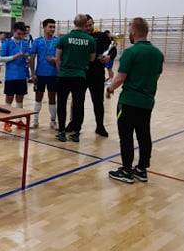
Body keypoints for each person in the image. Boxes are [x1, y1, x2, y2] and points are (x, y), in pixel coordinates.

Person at [108, 17, 165, 184]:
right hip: (147, 102)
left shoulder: (130, 52)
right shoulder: (158, 54)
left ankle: (126, 171)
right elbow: (156, 76)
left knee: (126, 136)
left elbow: (120, 78)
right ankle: (141, 169)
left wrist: (109, 89)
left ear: (133, 32)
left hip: (129, 102)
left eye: (129, 31)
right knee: (144, 134)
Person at [55, 13, 97, 143]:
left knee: (61, 104)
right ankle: (76, 133)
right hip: (80, 76)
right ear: (85, 24)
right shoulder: (90, 40)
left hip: (64, 76)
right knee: (78, 105)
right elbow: (92, 59)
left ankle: (61, 131)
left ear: (74, 23)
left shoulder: (64, 39)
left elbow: (57, 58)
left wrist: (61, 71)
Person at [0, 21, 30, 131]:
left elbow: (28, 55)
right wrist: (14, 57)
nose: (20, 36)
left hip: (22, 75)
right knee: (9, 99)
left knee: (20, 99)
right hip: (11, 76)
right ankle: (6, 122)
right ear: (14, 31)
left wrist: (27, 58)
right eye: (18, 33)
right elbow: (1, 58)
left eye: (22, 34)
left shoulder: (25, 43)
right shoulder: (7, 43)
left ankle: (19, 120)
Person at [29, 19, 59, 130]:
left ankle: (53, 121)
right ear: (44, 27)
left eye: (54, 27)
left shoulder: (58, 41)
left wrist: (55, 60)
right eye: (50, 27)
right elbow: (32, 58)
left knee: (52, 98)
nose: (52, 29)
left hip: (53, 74)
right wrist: (33, 74)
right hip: (40, 74)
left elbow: (61, 57)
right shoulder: (37, 41)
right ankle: (35, 121)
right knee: (38, 98)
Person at [84, 14, 109, 138]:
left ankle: (100, 126)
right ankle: (74, 124)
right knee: (77, 101)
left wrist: (109, 56)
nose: (89, 27)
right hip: (81, 74)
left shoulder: (101, 36)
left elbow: (112, 48)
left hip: (97, 74)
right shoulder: (78, 37)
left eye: (90, 25)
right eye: (86, 25)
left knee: (98, 102)